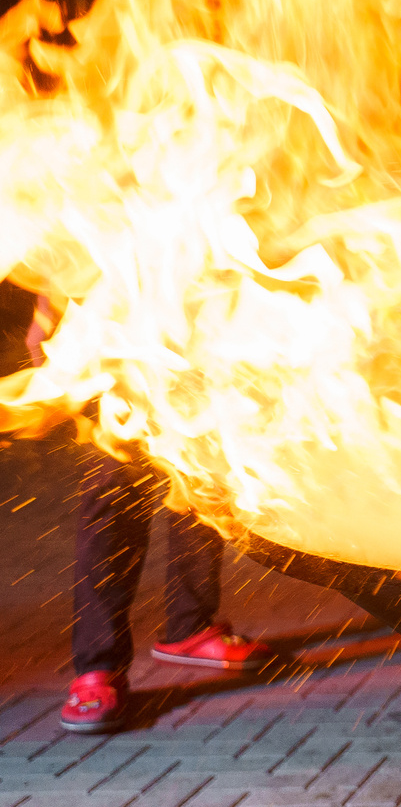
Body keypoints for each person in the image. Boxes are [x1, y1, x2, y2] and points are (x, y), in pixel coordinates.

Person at [27, 300, 274, 734]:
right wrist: (45, 313)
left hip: (196, 321)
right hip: (118, 332)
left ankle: (190, 627)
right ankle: (97, 667)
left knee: (200, 471)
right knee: (115, 482)